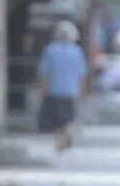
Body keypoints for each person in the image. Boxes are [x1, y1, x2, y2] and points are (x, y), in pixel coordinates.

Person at [36, 21, 88, 154]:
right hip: (70, 92)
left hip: (53, 91)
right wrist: (83, 93)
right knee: (68, 120)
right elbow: (81, 76)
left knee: (58, 121)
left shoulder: (50, 50)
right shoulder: (77, 52)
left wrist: (42, 90)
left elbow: (44, 73)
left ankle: (61, 142)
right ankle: (65, 140)